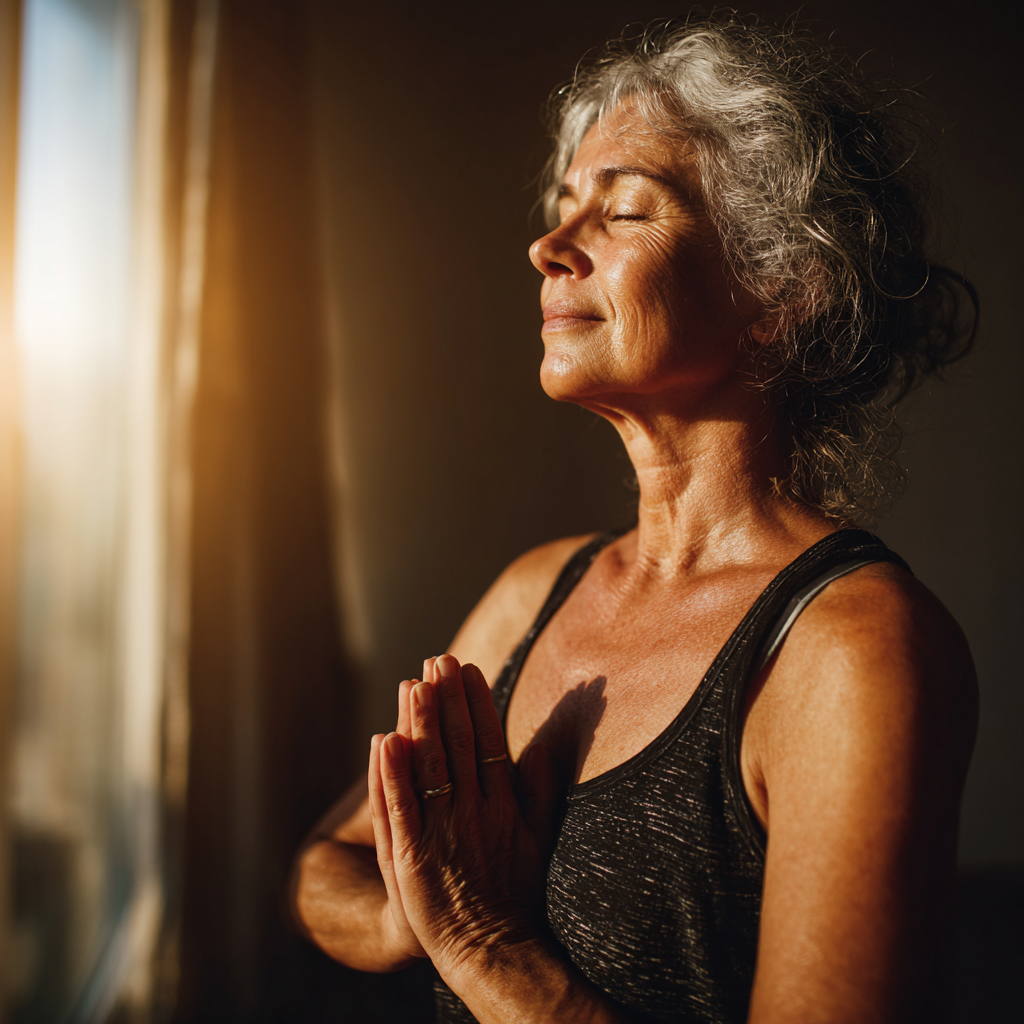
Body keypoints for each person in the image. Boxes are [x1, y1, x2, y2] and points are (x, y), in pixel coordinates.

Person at [292, 14, 978, 1024]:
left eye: (621, 214)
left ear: (781, 288)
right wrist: (415, 910)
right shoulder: (538, 588)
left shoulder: (852, 650)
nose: (546, 246)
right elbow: (324, 863)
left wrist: (484, 945)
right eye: (564, 206)